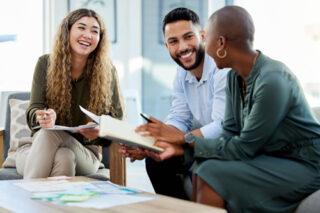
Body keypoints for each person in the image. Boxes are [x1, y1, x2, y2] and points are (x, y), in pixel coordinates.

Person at [148, 5, 320, 212]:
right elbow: (228, 134)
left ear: (221, 42)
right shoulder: (233, 76)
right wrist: (180, 148)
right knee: (203, 166)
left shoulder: (273, 80)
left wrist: (183, 142)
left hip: (304, 163)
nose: (203, 44)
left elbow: (244, 147)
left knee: (212, 173)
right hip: (268, 154)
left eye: (206, 37)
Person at [120, 7, 229, 200]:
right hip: (197, 144)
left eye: (188, 37)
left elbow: (220, 127)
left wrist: (179, 138)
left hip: (221, 147)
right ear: (167, 46)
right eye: (174, 41)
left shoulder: (221, 69)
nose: (182, 47)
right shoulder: (181, 75)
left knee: (196, 159)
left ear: (202, 36)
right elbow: (179, 118)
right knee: (156, 160)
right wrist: (149, 144)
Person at [15, 8, 124, 179]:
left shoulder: (108, 72)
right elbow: (34, 109)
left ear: (100, 39)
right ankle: (55, 206)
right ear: (68, 31)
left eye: (94, 31)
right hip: (34, 148)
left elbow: (118, 122)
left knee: (52, 137)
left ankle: (26, 199)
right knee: (64, 156)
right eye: (81, 28)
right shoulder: (45, 64)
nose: (88, 35)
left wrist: (100, 131)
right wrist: (42, 117)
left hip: (85, 153)